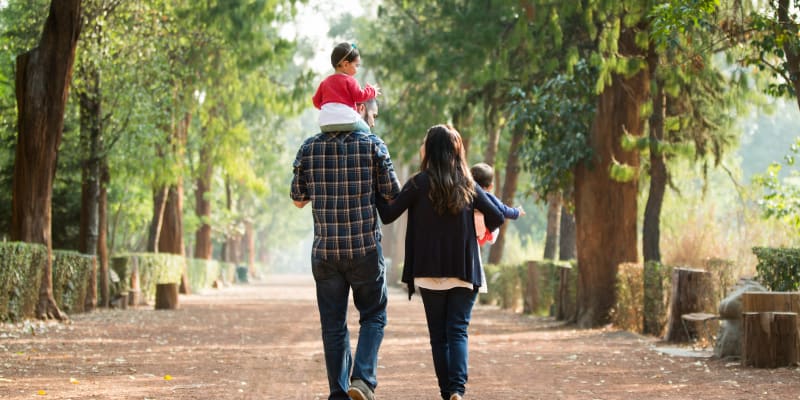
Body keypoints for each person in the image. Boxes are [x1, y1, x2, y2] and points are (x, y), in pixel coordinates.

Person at [376, 124, 504, 400]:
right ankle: (458, 390)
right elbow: (497, 216)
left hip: (428, 270)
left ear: (430, 150)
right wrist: (476, 231)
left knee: (439, 335)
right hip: (464, 270)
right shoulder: (468, 183)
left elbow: (388, 214)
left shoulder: (418, 183)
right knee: (458, 331)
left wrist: (375, 189)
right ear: (456, 151)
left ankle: (448, 393)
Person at [290, 97, 400, 400]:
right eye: (371, 112)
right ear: (359, 109)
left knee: (333, 325)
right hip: (363, 247)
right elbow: (392, 192)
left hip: (325, 251)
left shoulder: (309, 147)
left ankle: (339, 393)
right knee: (374, 315)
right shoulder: (373, 145)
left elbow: (298, 199)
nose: (373, 119)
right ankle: (362, 379)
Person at [312, 42, 380, 134]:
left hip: (325, 123)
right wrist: (372, 91)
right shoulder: (350, 80)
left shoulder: (324, 83)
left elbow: (316, 102)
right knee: (366, 130)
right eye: (356, 65)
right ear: (345, 64)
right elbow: (359, 96)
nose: (357, 69)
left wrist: (329, 107)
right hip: (347, 120)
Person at [470, 162, 525, 245]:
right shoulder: (488, 197)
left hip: (471, 229)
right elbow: (503, 209)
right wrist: (516, 212)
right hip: (484, 232)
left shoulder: (465, 194)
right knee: (496, 230)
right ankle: (489, 236)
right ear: (490, 186)